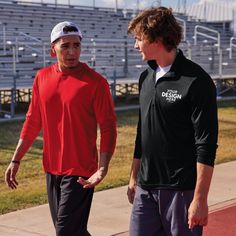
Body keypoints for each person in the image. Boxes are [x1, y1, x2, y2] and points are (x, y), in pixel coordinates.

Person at [5, 21, 117, 236]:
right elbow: (32, 121)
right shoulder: (42, 77)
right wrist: (16, 159)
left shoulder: (96, 82)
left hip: (81, 171)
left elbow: (108, 128)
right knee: (71, 231)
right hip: (51, 168)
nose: (72, 51)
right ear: (52, 49)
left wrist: (102, 168)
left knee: (65, 231)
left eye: (76, 45)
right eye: (65, 46)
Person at [127, 7, 218, 236]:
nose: (135, 45)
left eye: (139, 39)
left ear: (156, 39)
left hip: (181, 191)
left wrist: (200, 199)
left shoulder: (197, 81)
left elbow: (206, 145)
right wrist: (133, 176)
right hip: (145, 189)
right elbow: (142, 132)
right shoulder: (145, 77)